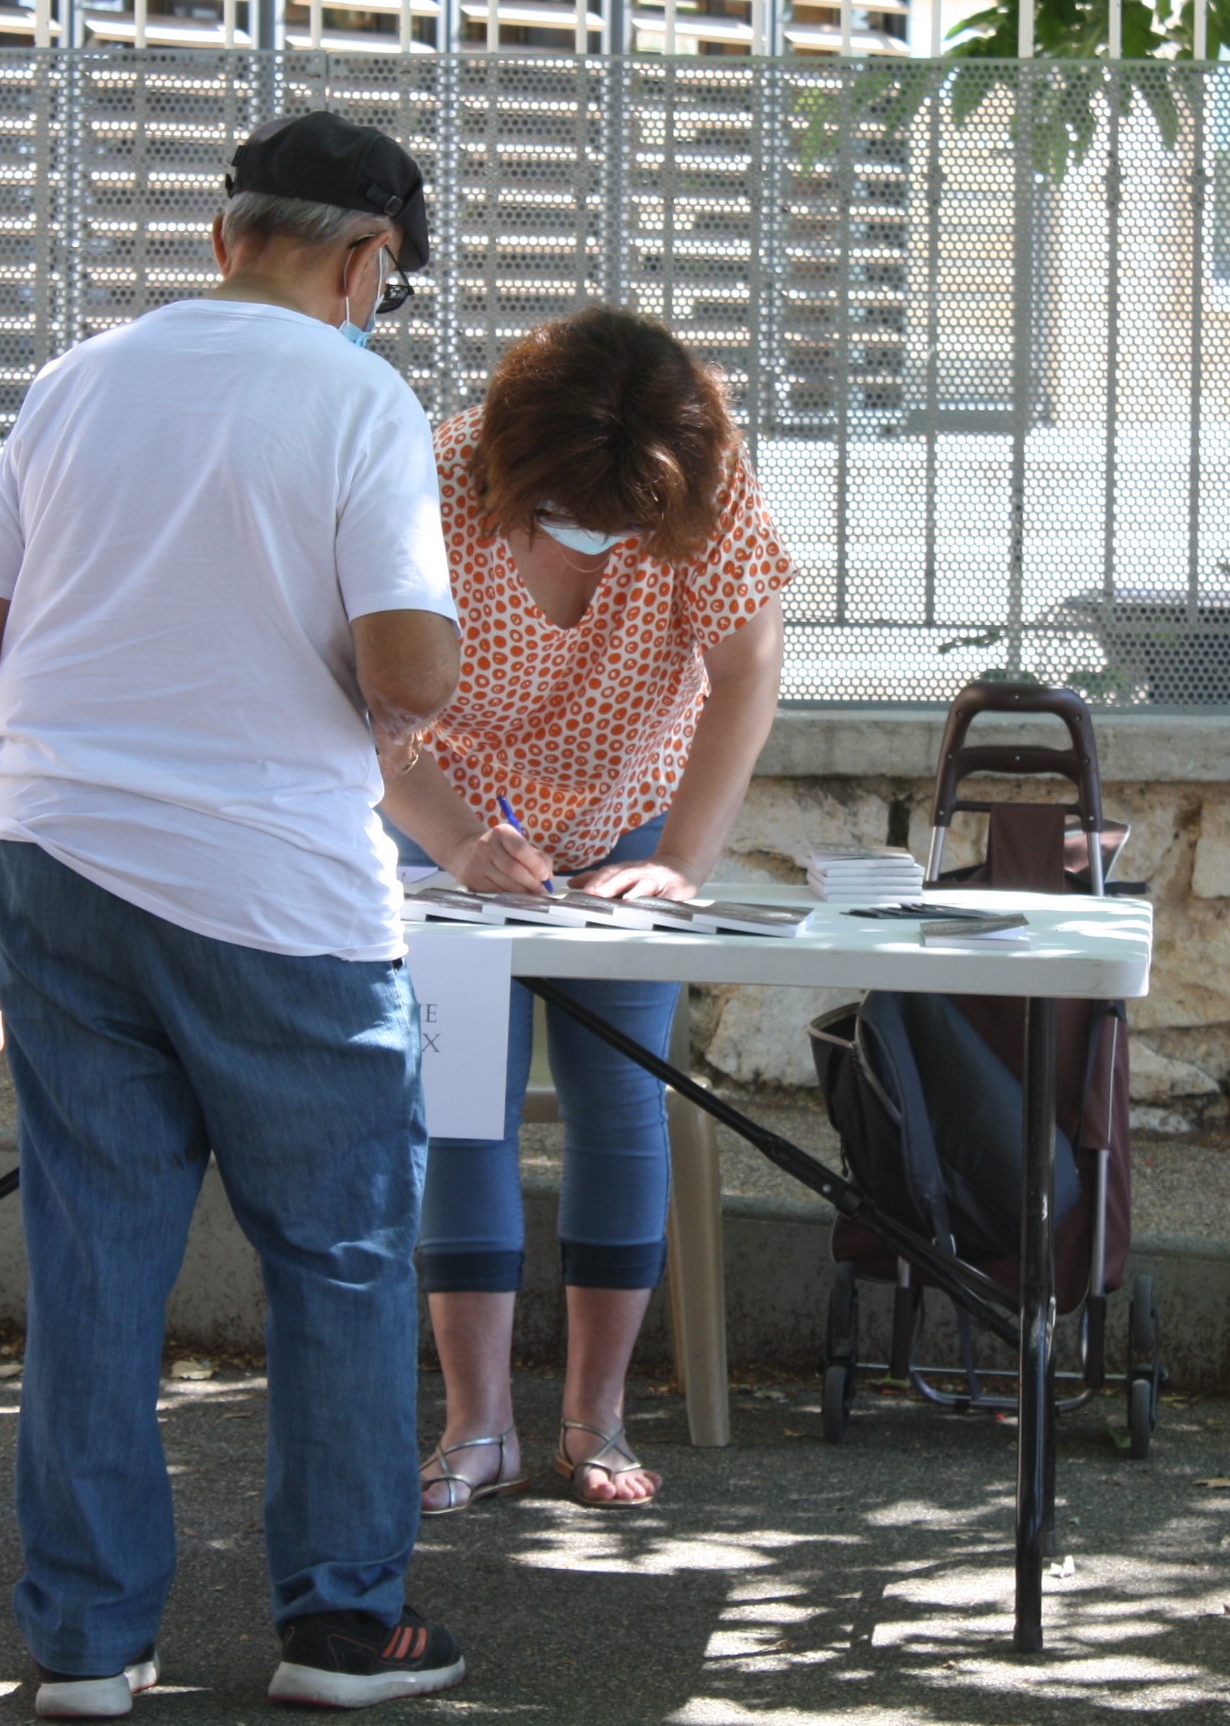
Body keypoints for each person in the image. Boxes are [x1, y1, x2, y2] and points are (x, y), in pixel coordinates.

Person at [0, 112, 467, 1716]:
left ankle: (86, 1644)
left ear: (227, 235)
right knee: (343, 1259)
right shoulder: (362, 397)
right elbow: (408, 672)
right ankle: (343, 1629)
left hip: (51, 863)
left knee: (93, 1256)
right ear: (366, 262)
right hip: (273, 892)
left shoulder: (74, 381)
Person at [381, 306, 793, 1513]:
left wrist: (686, 863)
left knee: (624, 1101)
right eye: (571, 517)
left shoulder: (707, 479)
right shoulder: (431, 477)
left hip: (634, 819)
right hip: (448, 830)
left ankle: (594, 1418)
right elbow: (362, 699)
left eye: (625, 528)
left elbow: (749, 674)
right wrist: (456, 838)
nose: (596, 546)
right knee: (464, 1110)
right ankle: (479, 1426)